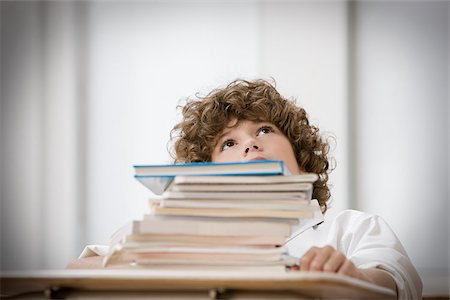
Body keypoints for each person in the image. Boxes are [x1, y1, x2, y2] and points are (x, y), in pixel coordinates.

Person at [68, 79, 422, 299]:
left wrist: (353, 280)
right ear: (206, 178)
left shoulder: (352, 228)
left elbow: (394, 281)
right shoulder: (172, 238)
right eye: (228, 143)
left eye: (265, 131)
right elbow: (77, 273)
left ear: (300, 158)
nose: (250, 145)